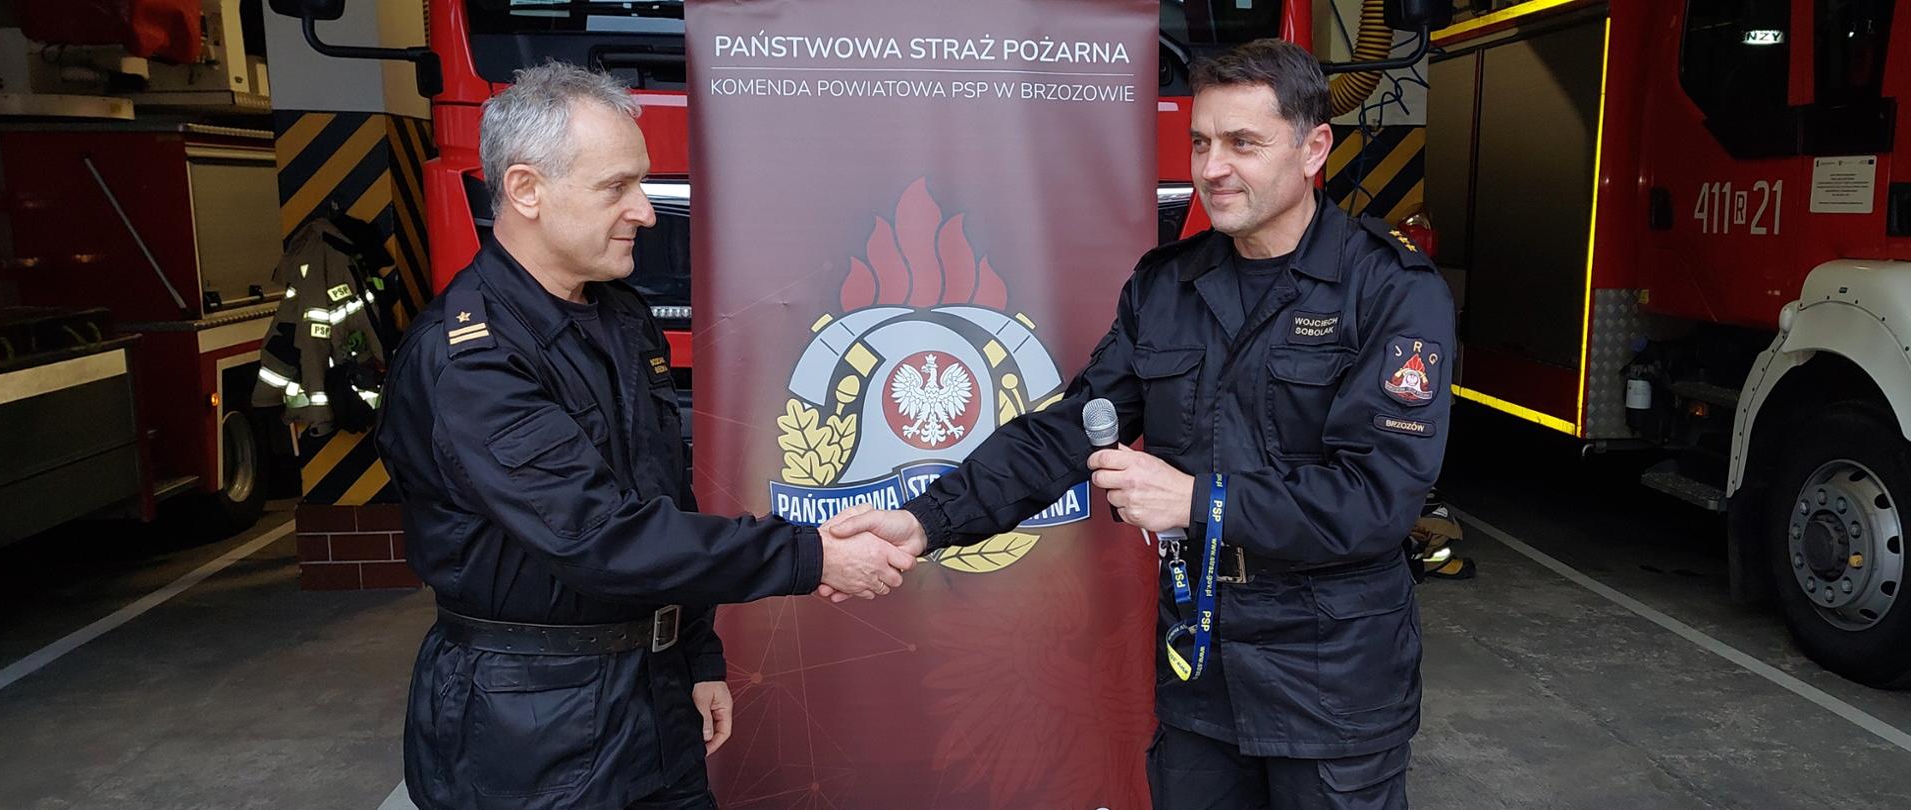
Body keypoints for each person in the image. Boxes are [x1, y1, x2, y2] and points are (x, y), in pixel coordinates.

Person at [825, 39, 1455, 809]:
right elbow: (1062, 434)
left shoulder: (1390, 290)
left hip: (1334, 679)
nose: (1212, 167)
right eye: (1201, 142)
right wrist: (924, 521)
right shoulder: (1168, 287)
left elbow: (1376, 500)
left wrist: (1197, 499)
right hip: (1202, 665)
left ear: (1314, 148)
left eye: (1242, 143)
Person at [376, 63, 914, 810]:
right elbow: (602, 537)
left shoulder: (620, 317)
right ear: (526, 190)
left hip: (652, 699)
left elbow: (662, 502)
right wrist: (813, 555)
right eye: (616, 187)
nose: (646, 211)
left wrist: (695, 654)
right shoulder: (474, 361)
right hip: (528, 727)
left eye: (642, 182)